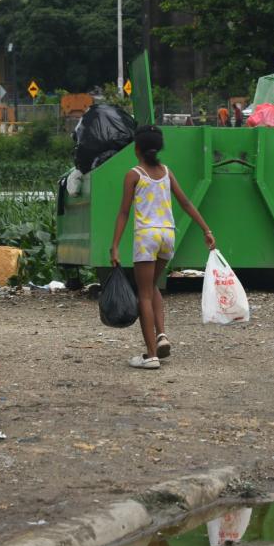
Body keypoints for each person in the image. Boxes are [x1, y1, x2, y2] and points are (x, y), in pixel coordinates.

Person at [110, 125, 215, 369]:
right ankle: (161, 335)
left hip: (147, 236)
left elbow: (124, 212)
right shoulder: (166, 172)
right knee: (152, 286)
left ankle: (150, 356)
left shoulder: (134, 174)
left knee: (143, 294)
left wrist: (115, 246)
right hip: (168, 236)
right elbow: (186, 203)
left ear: (137, 149)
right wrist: (206, 230)